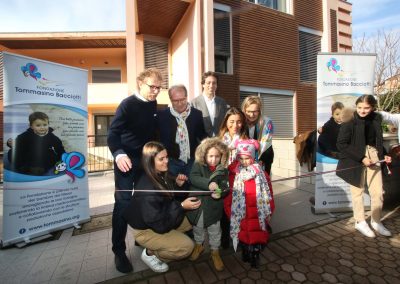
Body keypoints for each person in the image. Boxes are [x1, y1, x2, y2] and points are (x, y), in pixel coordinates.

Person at [107, 68, 162, 273]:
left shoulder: (153, 104)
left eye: (158, 87)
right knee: (123, 203)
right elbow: (112, 134)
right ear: (140, 82)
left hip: (144, 162)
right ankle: (119, 251)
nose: (155, 91)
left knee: (143, 200)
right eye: (152, 86)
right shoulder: (127, 104)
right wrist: (119, 154)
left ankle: (141, 240)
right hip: (125, 161)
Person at [122, 142, 201, 273]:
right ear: (150, 161)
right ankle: (151, 253)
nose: (166, 161)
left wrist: (178, 185)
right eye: (161, 159)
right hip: (146, 230)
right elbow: (160, 225)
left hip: (158, 218)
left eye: (167, 157)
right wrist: (181, 207)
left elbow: (167, 199)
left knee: (192, 218)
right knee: (187, 247)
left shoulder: (160, 173)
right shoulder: (148, 188)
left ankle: (166, 242)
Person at [336, 95, 392, 238]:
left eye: (366, 108)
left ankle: (376, 221)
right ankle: (360, 221)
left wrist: (384, 155)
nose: (362, 110)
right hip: (354, 158)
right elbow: (341, 144)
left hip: (373, 155)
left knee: (378, 192)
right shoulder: (349, 120)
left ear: (373, 107)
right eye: (359, 107)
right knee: (357, 192)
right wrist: (361, 158)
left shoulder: (376, 119)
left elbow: (377, 141)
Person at [224, 139, 274, 268]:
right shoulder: (234, 174)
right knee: (244, 236)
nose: (243, 161)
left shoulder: (261, 174)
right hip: (242, 214)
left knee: (258, 237)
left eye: (247, 158)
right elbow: (229, 195)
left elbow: (269, 192)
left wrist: (270, 207)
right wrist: (229, 210)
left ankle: (255, 255)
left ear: (253, 157)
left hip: (258, 213)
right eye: (240, 158)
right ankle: (246, 250)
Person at [186, 137, 229, 271]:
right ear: (204, 154)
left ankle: (215, 251)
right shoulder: (198, 165)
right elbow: (193, 178)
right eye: (210, 156)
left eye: (217, 156)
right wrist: (208, 184)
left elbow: (225, 186)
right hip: (198, 206)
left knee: (215, 230)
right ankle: (199, 245)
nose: (213, 159)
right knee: (197, 228)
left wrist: (220, 193)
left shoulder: (222, 170)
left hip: (213, 208)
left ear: (221, 156)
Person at [157, 84, 207, 178]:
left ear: (186, 97)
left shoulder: (196, 114)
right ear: (170, 100)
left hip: (191, 161)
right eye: (176, 101)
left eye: (182, 99)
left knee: (189, 189)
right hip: (170, 162)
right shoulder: (161, 116)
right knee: (172, 189)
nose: (180, 103)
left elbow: (202, 135)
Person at [218, 107, 248, 248]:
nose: (235, 125)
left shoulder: (246, 140)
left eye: (239, 122)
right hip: (223, 180)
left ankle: (239, 237)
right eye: (232, 121)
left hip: (239, 181)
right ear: (226, 122)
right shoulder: (219, 140)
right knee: (224, 211)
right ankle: (225, 238)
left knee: (239, 209)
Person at [9, 111, 65, 175]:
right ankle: (24, 167)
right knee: (12, 152)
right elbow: (17, 144)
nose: (42, 127)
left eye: (45, 125)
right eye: (38, 125)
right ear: (31, 126)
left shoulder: (51, 136)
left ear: (48, 124)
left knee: (51, 155)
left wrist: (64, 157)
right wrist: (11, 143)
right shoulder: (26, 135)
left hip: (43, 154)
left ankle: (41, 168)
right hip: (28, 155)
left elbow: (59, 147)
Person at [241, 96, 275, 175]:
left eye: (255, 111)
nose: (251, 115)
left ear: (259, 111)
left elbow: (265, 144)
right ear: (244, 110)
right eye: (248, 111)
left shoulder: (267, 122)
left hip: (263, 157)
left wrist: (255, 160)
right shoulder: (241, 122)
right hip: (244, 159)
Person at [191, 71, 228, 137]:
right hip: (201, 143)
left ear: (217, 85)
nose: (211, 86)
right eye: (208, 83)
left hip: (219, 141)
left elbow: (225, 123)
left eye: (214, 83)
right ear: (203, 84)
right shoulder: (194, 103)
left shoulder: (222, 103)